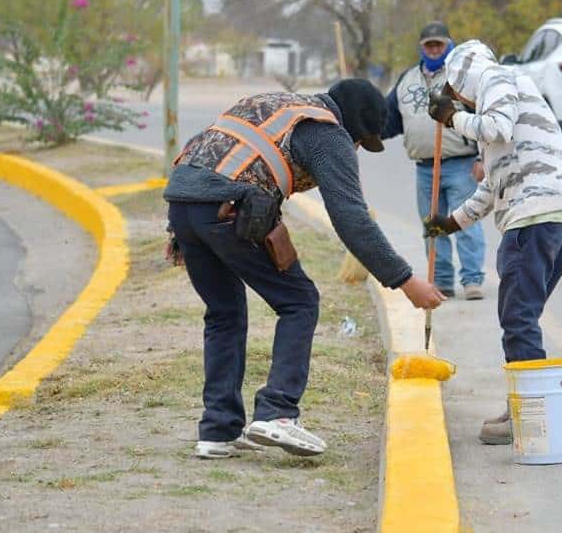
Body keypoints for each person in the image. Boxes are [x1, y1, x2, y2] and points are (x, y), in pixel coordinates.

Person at [164, 78, 445, 459]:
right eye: (362, 140)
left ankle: (218, 431)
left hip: (182, 203)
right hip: (227, 205)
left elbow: (209, 149)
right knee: (299, 301)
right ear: (355, 126)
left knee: (223, 315)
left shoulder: (277, 105)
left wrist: (183, 225)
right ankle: (278, 413)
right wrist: (405, 281)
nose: (358, 148)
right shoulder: (327, 133)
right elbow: (351, 218)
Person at [424, 40, 562, 445]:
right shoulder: (506, 93)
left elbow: (496, 127)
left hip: (532, 220)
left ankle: (532, 413)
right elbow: (493, 187)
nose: (458, 99)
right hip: (553, 217)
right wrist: (450, 223)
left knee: (517, 319)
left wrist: (455, 117)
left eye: (456, 91)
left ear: (463, 74)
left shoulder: (497, 79)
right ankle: (534, 406)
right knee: (521, 316)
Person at [383, 21, 486, 300]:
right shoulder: (407, 80)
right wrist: (365, 129)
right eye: (429, 45)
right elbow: (390, 120)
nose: (434, 49)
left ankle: (472, 279)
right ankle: (441, 281)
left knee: (464, 220)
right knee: (433, 225)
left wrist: (482, 157)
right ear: (421, 48)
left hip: (460, 164)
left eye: (439, 44)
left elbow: (483, 119)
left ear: (449, 45)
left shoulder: (461, 77)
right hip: (425, 168)